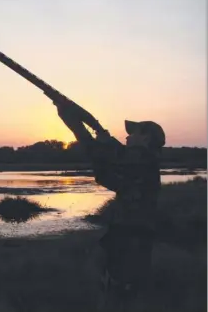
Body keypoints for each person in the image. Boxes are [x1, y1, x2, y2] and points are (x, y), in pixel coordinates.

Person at [54, 101, 165, 309]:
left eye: (134, 133)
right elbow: (106, 174)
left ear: (146, 139)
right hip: (124, 231)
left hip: (133, 235)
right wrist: (76, 123)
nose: (127, 136)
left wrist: (79, 125)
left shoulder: (142, 159)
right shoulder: (138, 160)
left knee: (124, 287)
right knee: (113, 283)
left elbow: (102, 154)